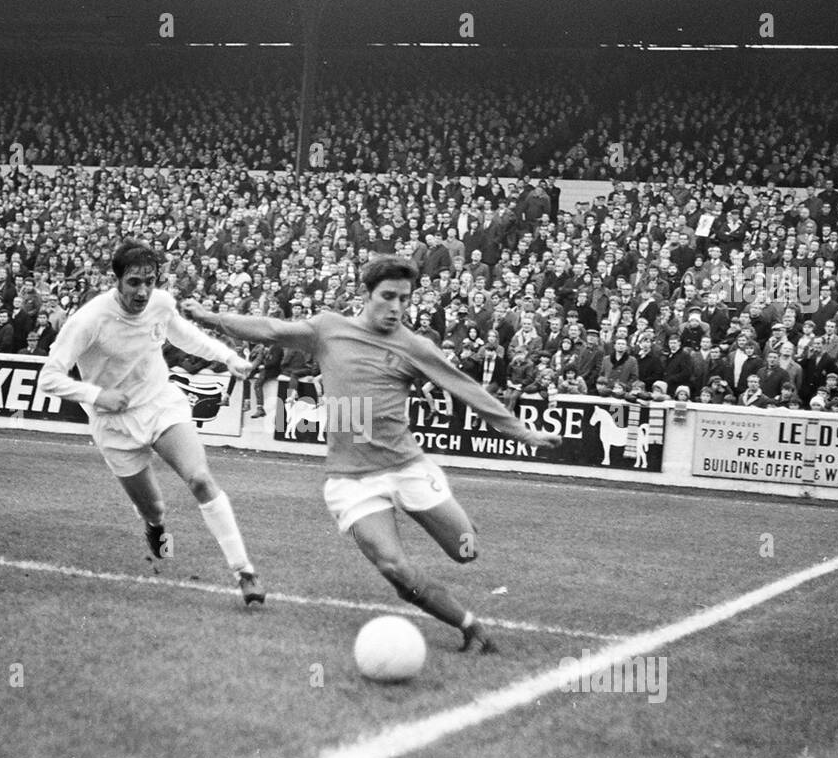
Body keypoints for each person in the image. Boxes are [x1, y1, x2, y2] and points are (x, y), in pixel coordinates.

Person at [183, 256, 561, 653]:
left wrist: (521, 432)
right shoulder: (328, 329)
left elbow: (465, 388)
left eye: (404, 298)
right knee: (394, 567)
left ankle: (446, 539)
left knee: (467, 550)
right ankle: (468, 626)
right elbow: (272, 329)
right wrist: (209, 316)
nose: (396, 307)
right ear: (366, 295)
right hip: (352, 480)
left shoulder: (415, 346)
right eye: (388, 296)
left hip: (408, 467)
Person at [39, 239, 265, 606]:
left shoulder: (160, 303)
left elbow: (184, 335)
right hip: (114, 423)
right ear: (117, 281)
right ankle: (155, 528)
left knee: (200, 478)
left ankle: (245, 572)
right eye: (134, 282)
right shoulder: (90, 319)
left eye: (150, 281)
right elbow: (48, 377)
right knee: (154, 509)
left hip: (160, 404)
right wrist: (98, 396)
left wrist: (228, 358)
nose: (143, 291)